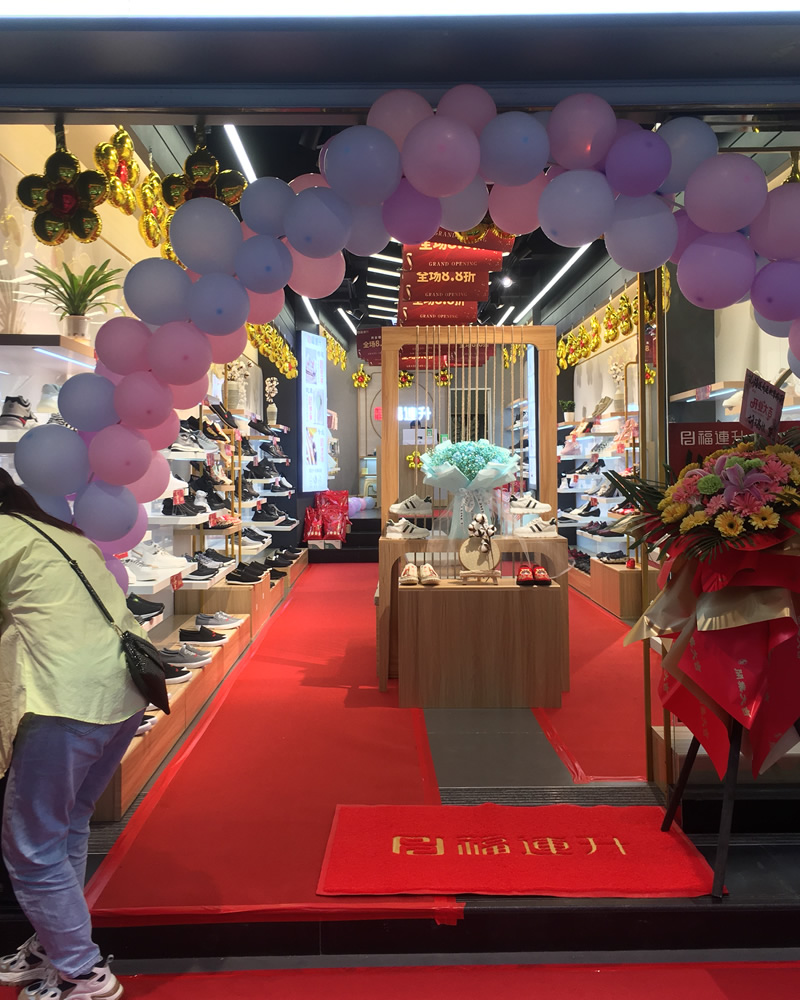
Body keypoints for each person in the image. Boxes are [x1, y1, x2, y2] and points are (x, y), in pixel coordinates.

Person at [0, 469, 147, 1000]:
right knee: (67, 824)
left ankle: (82, 972)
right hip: (123, 691)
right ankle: (55, 943)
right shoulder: (55, 531)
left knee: (32, 843)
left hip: (63, 700)